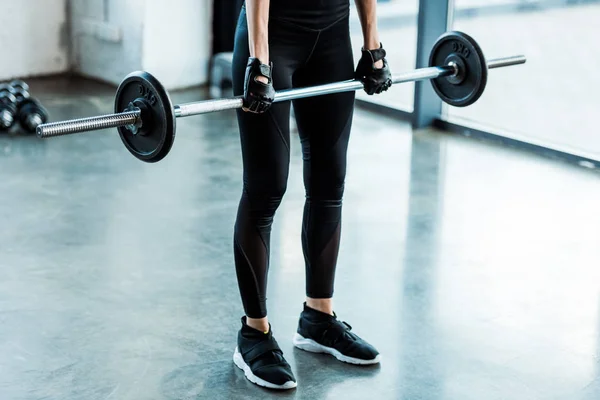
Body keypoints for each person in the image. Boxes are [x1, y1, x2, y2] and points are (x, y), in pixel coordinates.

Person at [231, 0, 392, 390]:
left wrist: (373, 46)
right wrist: (260, 60)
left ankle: (318, 318)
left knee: (329, 181)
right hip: (271, 34)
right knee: (267, 187)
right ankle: (254, 334)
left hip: (332, 34)